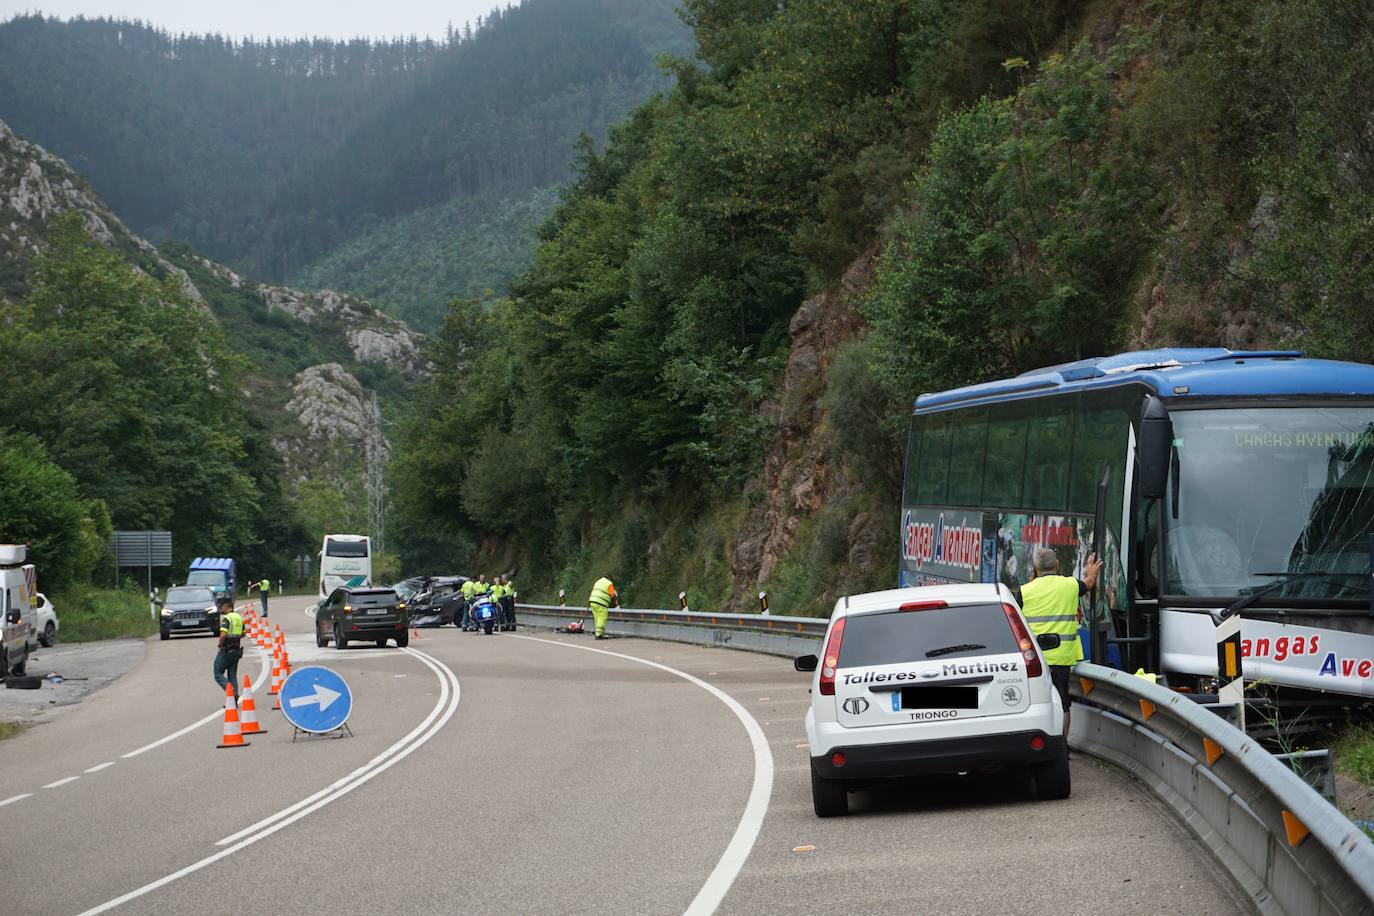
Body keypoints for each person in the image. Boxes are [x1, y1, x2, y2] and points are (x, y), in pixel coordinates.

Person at [1013, 547, 1102, 739]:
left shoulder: (1024, 591)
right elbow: (1089, 583)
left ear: (1034, 568)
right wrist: (1091, 571)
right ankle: (1061, 747)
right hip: (1062, 657)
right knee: (1062, 701)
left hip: (1034, 659)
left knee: (1035, 701)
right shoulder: (1069, 585)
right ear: (1058, 564)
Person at [212, 595, 245, 703]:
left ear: (227, 607)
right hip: (236, 650)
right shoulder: (239, 618)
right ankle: (233, 702)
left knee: (218, 673)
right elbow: (243, 633)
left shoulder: (227, 618)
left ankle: (232, 693)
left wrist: (220, 645)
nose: (221, 609)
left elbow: (223, 635)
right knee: (232, 675)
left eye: (222, 607)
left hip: (226, 650)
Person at [587, 575, 618, 640]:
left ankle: (598, 633)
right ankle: (599, 635)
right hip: (601, 602)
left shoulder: (598, 581)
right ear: (610, 578)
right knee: (602, 618)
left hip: (592, 601)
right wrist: (616, 598)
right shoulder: (609, 583)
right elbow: (612, 594)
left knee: (597, 618)